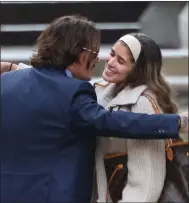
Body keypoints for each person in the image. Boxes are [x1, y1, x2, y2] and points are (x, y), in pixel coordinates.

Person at [1, 15, 188, 203]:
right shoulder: (74, 92)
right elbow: (113, 121)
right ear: (81, 53)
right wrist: (179, 121)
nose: (99, 59)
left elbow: (43, 86)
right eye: (95, 52)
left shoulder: (7, 82)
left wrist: (14, 68)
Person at [94, 33, 185, 202]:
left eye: (121, 61)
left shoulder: (142, 103)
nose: (110, 62)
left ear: (138, 70)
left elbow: (145, 182)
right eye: (112, 54)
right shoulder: (101, 89)